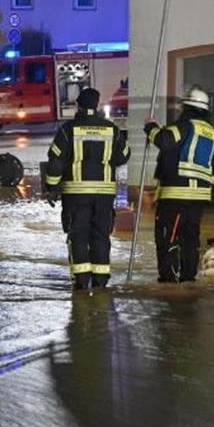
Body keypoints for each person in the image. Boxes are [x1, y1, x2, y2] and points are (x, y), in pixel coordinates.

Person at [44, 87, 131, 291]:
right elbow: (124, 156)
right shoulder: (112, 130)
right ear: (97, 105)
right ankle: (100, 282)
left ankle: (82, 281)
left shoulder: (67, 130)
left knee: (78, 235)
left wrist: (52, 187)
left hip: (76, 193)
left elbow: (55, 162)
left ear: (79, 106)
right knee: (101, 235)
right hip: (104, 195)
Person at [144, 88, 214, 283]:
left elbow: (164, 140)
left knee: (167, 237)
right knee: (190, 239)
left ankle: (169, 279)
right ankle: (188, 277)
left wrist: (150, 127)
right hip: (199, 198)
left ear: (187, 107)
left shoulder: (184, 126)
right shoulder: (213, 134)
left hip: (175, 195)